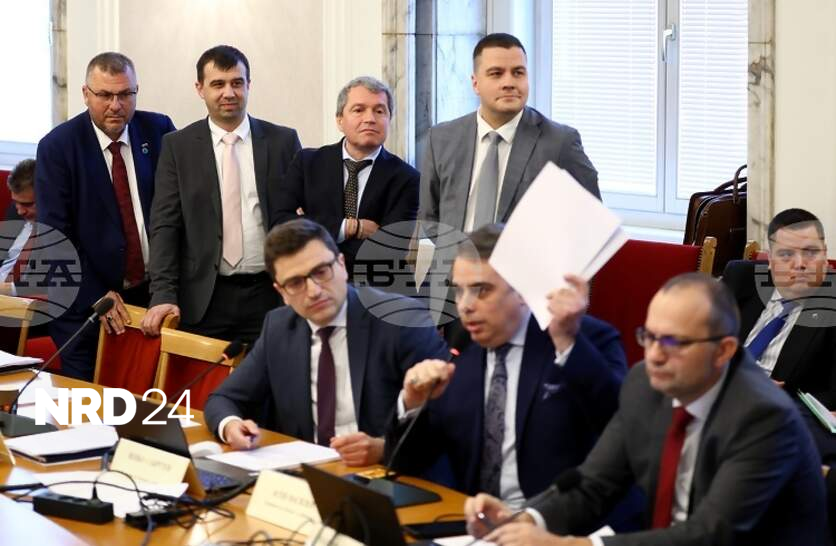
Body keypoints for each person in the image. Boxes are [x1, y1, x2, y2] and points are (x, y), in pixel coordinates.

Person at [466, 273, 830, 546]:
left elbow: (710, 535)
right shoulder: (645, 384)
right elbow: (593, 483)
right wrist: (526, 519)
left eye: (674, 342)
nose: (654, 355)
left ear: (723, 351)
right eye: (650, 337)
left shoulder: (763, 417)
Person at [387, 224, 626, 509]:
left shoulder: (583, 337)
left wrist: (567, 343)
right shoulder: (460, 351)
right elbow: (406, 464)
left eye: (481, 290)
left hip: (563, 520)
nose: (465, 306)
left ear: (524, 291)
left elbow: (621, 430)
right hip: (475, 519)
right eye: (459, 291)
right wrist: (412, 404)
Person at [204, 218, 448, 466]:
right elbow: (223, 399)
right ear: (282, 292)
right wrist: (231, 425)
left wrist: (384, 449)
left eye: (321, 272)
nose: (314, 291)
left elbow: (449, 418)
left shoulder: (401, 321)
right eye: (296, 283)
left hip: (385, 474)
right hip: (306, 474)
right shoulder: (279, 328)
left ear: (342, 265)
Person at [142, 45, 301, 343]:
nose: (229, 93)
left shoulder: (283, 141)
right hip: (203, 299)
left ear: (249, 85)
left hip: (270, 294)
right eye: (218, 84)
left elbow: (300, 220)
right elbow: (165, 225)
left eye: (237, 83)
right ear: (200, 89)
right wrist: (162, 293)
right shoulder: (177, 147)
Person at [36, 52, 176, 380]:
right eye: (105, 95)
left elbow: (178, 211)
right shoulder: (58, 147)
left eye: (126, 94)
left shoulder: (159, 131)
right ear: (86, 94)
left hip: (149, 295)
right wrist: (96, 295)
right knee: (88, 401)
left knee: (148, 398)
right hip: (84, 301)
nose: (116, 105)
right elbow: (55, 236)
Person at [418, 33, 598, 238]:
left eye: (518, 73)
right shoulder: (441, 138)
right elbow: (429, 218)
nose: (509, 83)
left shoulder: (560, 142)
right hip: (454, 258)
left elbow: (591, 221)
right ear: (475, 84)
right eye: (496, 73)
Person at [273, 76, 419, 278]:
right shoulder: (307, 163)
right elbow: (280, 223)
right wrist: (350, 227)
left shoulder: (407, 178)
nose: (370, 119)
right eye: (359, 110)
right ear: (339, 120)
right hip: (312, 281)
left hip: (373, 288)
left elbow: (389, 250)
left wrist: (308, 225)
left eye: (379, 111)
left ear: (389, 120)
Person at [723, 208, 836, 406]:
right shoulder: (740, 279)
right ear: (770, 260)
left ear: (825, 256)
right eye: (786, 254)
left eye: (811, 252)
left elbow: (831, 399)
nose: (800, 264)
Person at [0, 159, 38, 295]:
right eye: (16, 202)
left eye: (27, 204)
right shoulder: (15, 212)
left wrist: (6, 290)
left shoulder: (61, 229)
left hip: (22, 300)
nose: (20, 211)